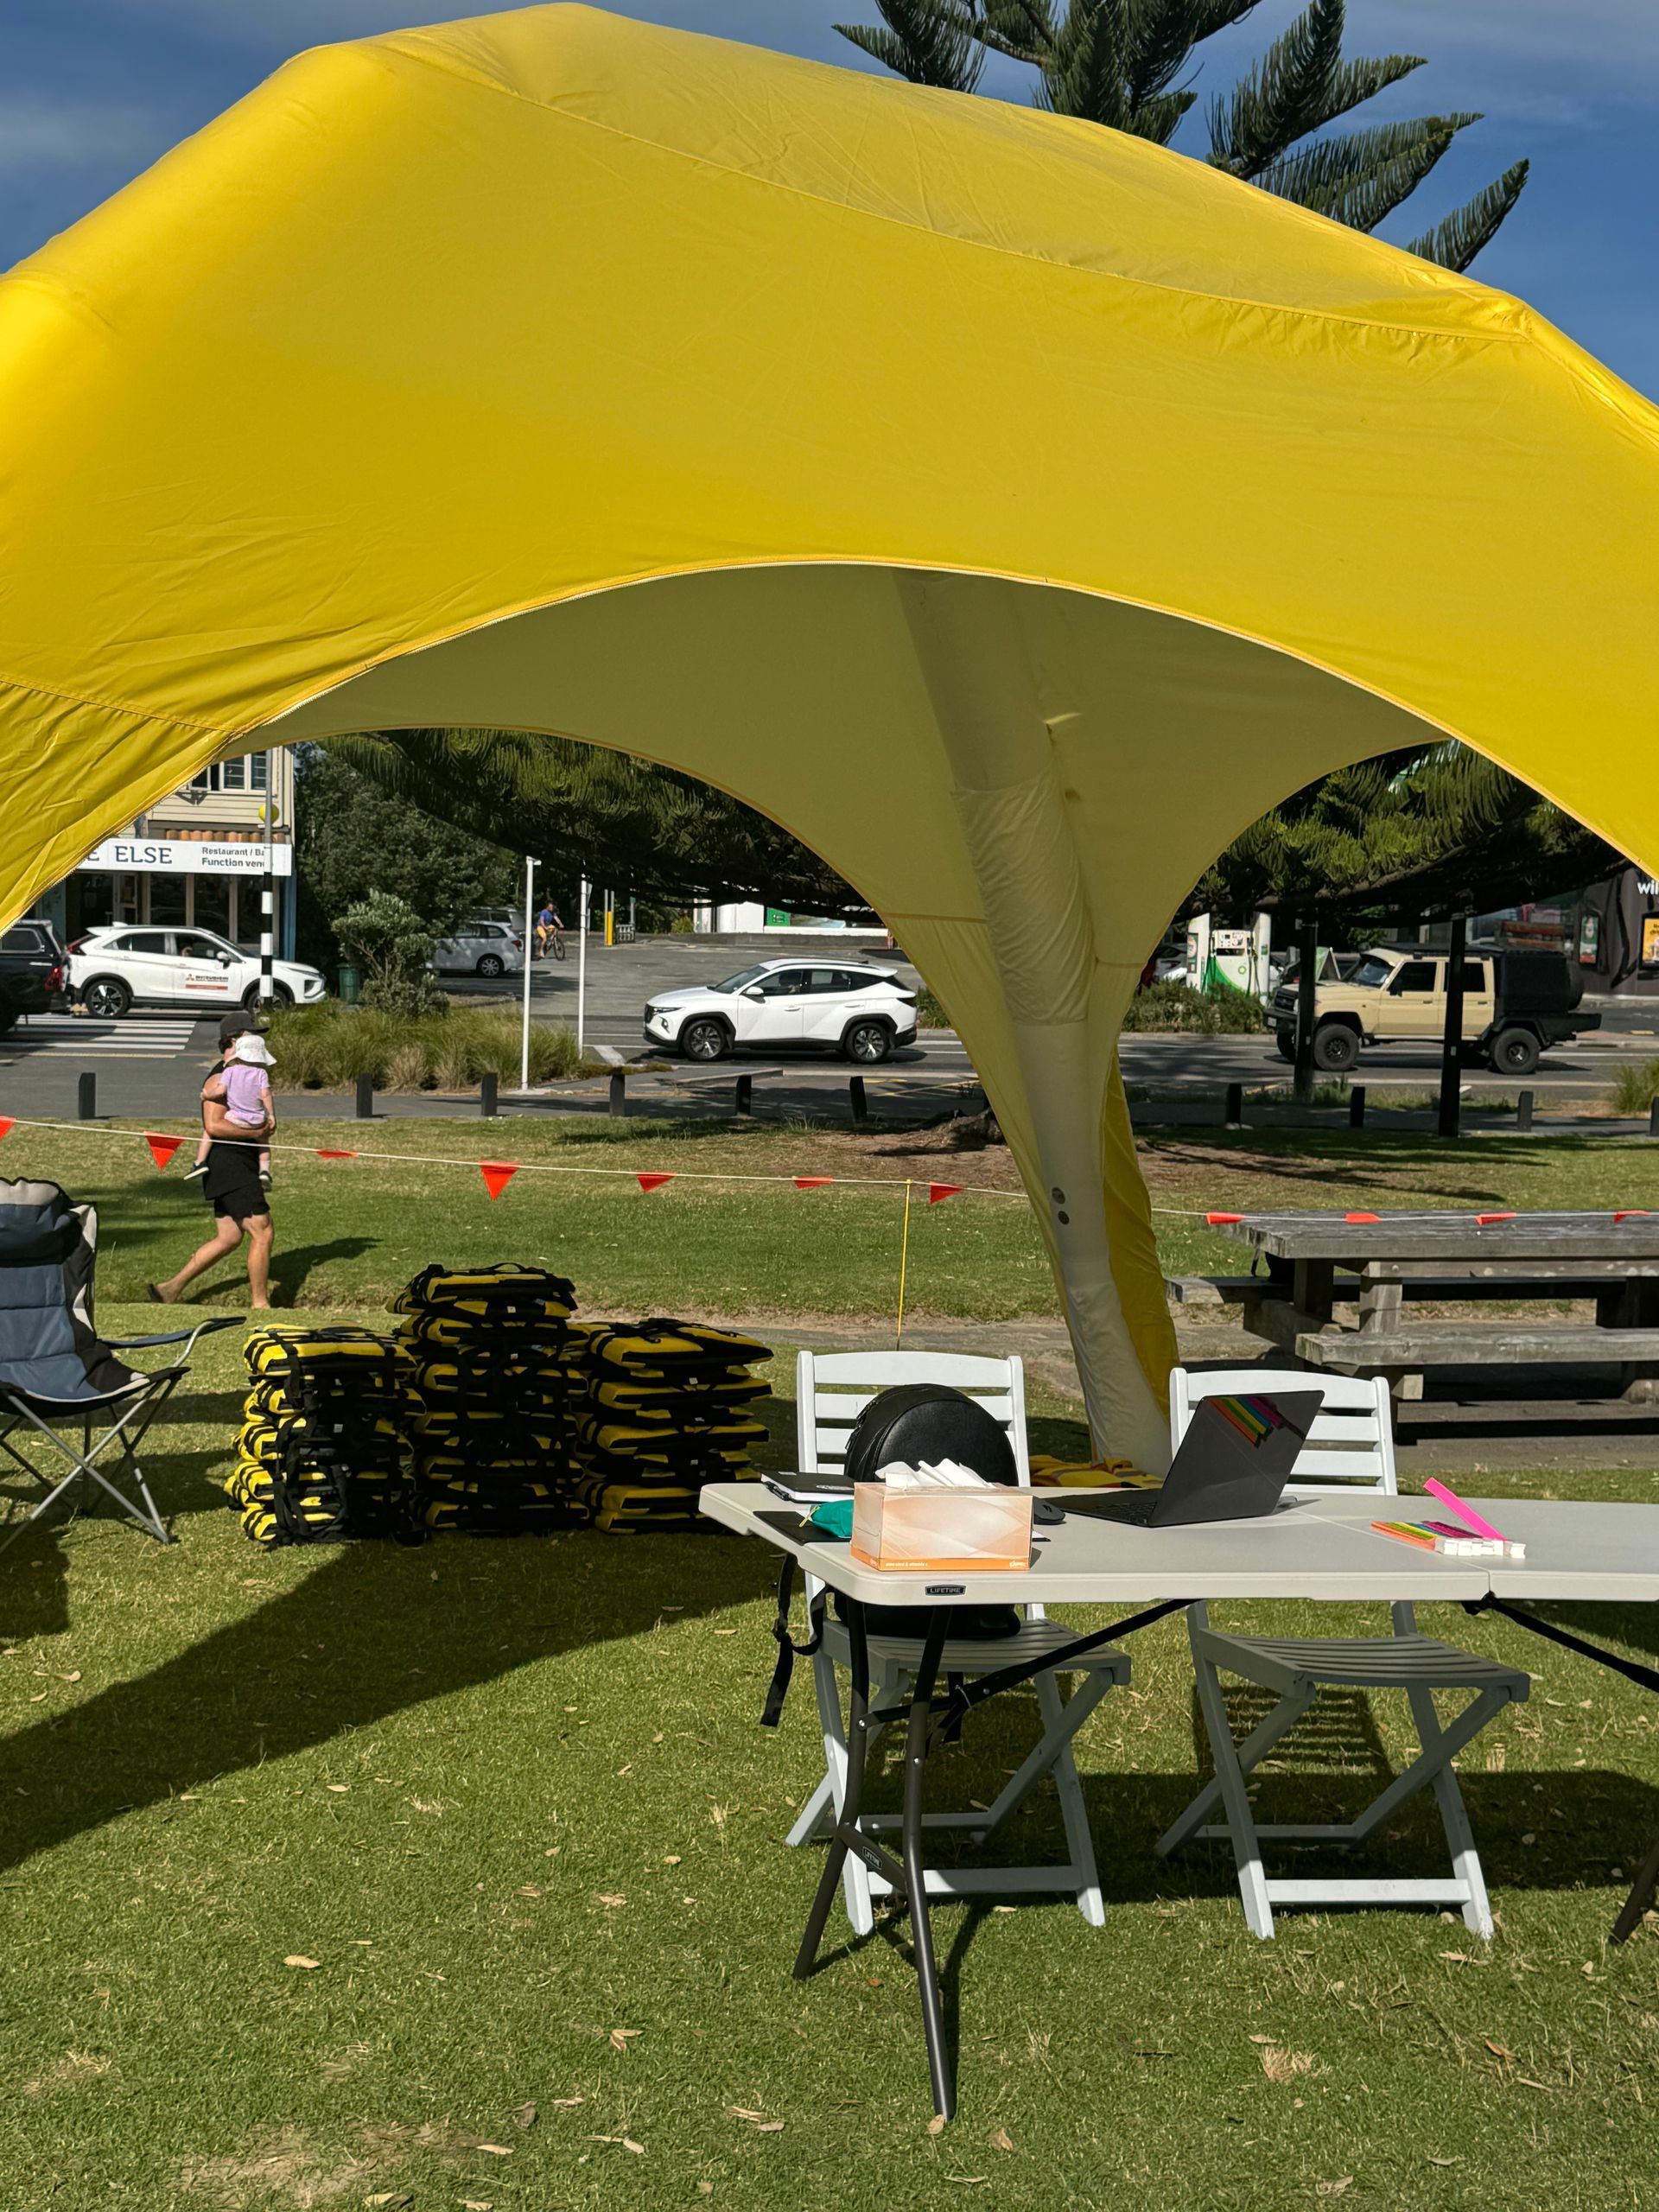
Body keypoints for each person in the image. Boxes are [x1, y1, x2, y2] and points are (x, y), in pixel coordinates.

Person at [149, 1056, 274, 1310]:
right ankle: (260, 1304)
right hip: (230, 1165)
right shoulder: (221, 1076)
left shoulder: (244, 1073)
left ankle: (169, 1289)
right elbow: (214, 1126)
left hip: (240, 1164)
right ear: (233, 1042)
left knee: (228, 1237)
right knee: (263, 1230)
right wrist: (256, 1132)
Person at [184, 1030, 275, 1187]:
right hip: (257, 1120)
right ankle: (265, 1170)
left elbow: (220, 1092)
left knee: (208, 1131)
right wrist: (271, 1115)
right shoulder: (261, 1073)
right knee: (263, 1141)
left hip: (235, 1118)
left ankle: (200, 1161)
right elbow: (266, 1094)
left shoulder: (229, 1071)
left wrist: (206, 1096)